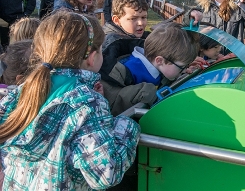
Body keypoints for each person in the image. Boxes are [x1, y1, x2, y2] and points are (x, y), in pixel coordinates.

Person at [0, 11, 140, 190]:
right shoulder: (88, 103)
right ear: (91, 57)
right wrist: (126, 127)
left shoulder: (23, 90)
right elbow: (106, 174)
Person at [100, 0, 154, 116]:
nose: (141, 23)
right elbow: (131, 44)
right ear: (117, 20)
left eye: (144, 17)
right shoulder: (112, 42)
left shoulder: (132, 35)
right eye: (133, 18)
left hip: (122, 91)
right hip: (112, 99)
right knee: (149, 91)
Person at [119, 22, 198, 86]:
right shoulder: (131, 72)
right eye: (181, 67)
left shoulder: (157, 65)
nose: (184, 70)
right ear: (160, 60)